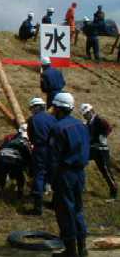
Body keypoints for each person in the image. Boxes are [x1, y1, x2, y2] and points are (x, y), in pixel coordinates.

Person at [48, 93, 90, 257]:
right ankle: (82, 248)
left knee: (65, 211)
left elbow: (54, 157)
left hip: (65, 173)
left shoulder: (58, 128)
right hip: (80, 173)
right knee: (78, 210)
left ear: (58, 108)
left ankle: (70, 251)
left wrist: (50, 180)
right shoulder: (82, 125)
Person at [0, 126, 31, 205]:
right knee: (20, 178)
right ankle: (19, 196)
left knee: (1, 181)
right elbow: (28, 158)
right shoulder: (26, 142)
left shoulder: (10, 138)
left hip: (2, 157)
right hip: (15, 159)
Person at [27, 97, 57, 215]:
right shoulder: (52, 118)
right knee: (53, 174)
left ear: (36, 107)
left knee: (39, 175)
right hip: (53, 150)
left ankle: (37, 207)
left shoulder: (32, 120)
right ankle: (55, 203)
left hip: (40, 149)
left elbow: (30, 136)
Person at [80, 103, 117, 199]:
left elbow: (108, 128)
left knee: (105, 171)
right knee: (80, 162)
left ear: (91, 111)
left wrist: (102, 137)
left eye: (86, 114)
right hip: (93, 149)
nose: (85, 116)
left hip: (102, 150)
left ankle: (114, 193)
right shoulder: (88, 123)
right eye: (84, 115)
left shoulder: (99, 119)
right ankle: (81, 186)